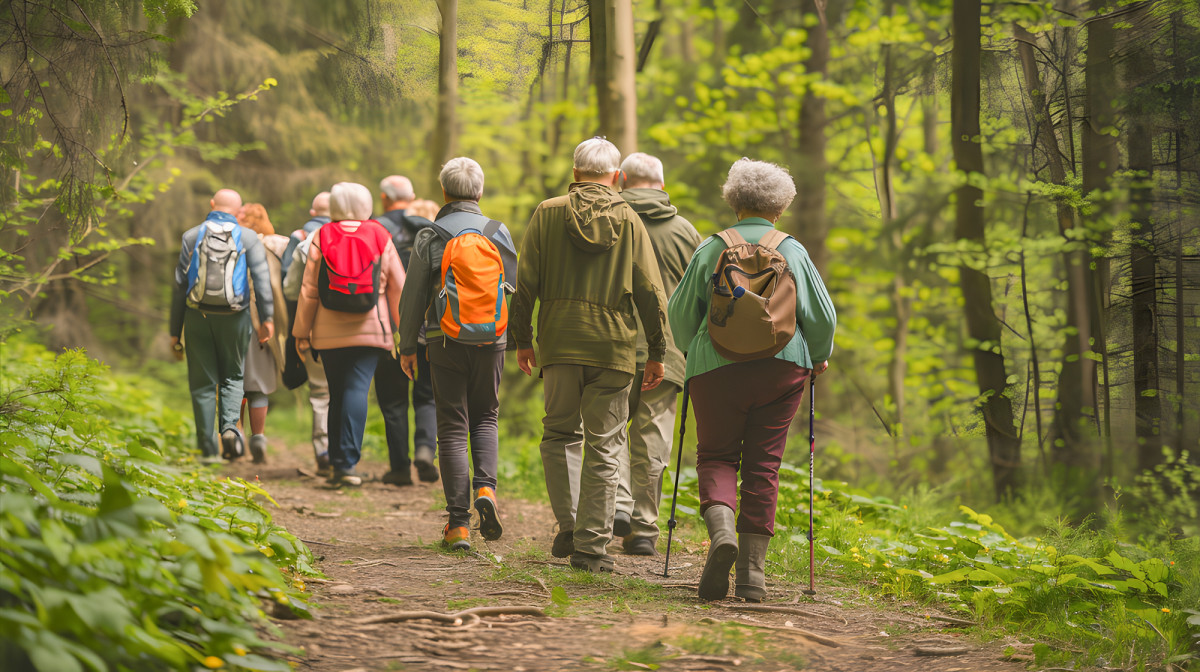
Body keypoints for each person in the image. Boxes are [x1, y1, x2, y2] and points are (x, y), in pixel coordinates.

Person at [667, 158, 836, 602]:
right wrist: (817, 357)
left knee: (717, 456)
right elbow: (821, 316)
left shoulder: (711, 248)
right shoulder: (793, 250)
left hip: (714, 367)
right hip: (783, 368)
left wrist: (693, 348)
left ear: (734, 200)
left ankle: (722, 534)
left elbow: (680, 315)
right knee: (764, 466)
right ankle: (752, 576)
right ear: (780, 207)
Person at [510, 137, 670, 572]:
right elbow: (649, 289)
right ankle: (591, 547)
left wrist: (522, 338)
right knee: (605, 446)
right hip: (614, 346)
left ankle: (569, 522)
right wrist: (658, 350)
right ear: (616, 177)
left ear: (576, 172)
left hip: (560, 341)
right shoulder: (630, 218)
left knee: (560, 434)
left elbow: (525, 281)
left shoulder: (548, 212)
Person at [396, 157, 517, 551]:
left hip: (443, 339)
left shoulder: (430, 235)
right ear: (479, 192)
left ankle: (459, 525)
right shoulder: (499, 233)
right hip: (491, 341)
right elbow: (511, 289)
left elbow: (412, 296)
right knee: (486, 416)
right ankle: (486, 488)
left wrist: (408, 346)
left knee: (451, 424)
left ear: (444, 191)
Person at [613, 153, 702, 556]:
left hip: (609, 342)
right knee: (652, 438)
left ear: (622, 180)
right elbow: (701, 296)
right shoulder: (685, 231)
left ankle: (615, 508)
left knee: (607, 432)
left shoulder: (607, 219)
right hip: (666, 352)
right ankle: (644, 527)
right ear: (662, 186)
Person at [292, 182, 405, 487]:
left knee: (337, 391)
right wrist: (403, 332)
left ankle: (338, 463)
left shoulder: (322, 235)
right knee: (356, 389)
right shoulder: (380, 234)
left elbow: (309, 290)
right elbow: (397, 286)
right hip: (371, 329)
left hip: (328, 332)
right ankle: (348, 465)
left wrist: (301, 332)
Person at [170, 188, 274, 462]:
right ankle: (230, 428)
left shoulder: (192, 236)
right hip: (235, 316)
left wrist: (174, 330)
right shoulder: (249, 237)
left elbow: (180, 286)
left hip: (197, 316)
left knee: (203, 383)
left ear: (213, 204)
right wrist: (267, 318)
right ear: (238, 210)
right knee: (233, 375)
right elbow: (262, 280)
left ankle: (207, 449)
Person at [375, 175, 439, 486]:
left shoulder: (379, 229)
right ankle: (426, 450)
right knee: (427, 396)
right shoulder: (435, 233)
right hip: (434, 326)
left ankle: (399, 467)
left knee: (393, 400)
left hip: (389, 326)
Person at [236, 203, 290, 464]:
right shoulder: (279, 244)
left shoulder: (234, 242)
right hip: (267, 321)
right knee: (258, 385)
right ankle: (258, 438)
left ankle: (234, 438)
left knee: (233, 381)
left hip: (234, 317)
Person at [283, 223, 330, 473]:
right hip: (363, 330)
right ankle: (347, 456)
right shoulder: (373, 236)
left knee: (321, 393)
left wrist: (299, 332)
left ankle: (324, 451)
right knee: (351, 390)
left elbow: (292, 289)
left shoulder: (309, 241)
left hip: (319, 328)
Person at [281, 192, 331, 280]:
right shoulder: (345, 236)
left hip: (306, 290)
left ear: (312, 212)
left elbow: (287, 271)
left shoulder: (299, 235)